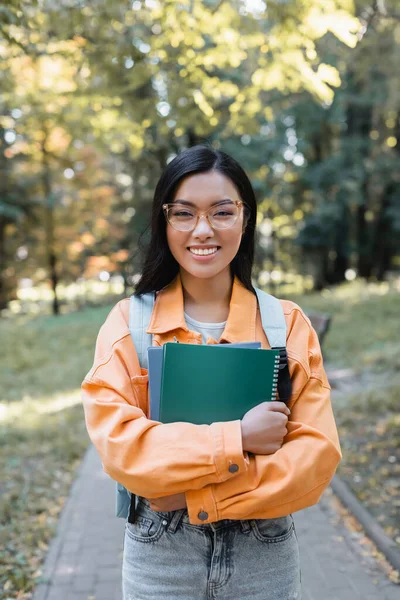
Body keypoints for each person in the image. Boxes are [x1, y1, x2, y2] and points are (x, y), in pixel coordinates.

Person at [81, 145, 342, 600]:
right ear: (166, 222)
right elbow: (124, 451)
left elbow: (314, 458)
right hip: (159, 556)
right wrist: (238, 437)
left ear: (245, 218)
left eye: (222, 211)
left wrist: (193, 497)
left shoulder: (286, 325)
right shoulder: (129, 324)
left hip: (264, 553)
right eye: (184, 213)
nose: (202, 229)